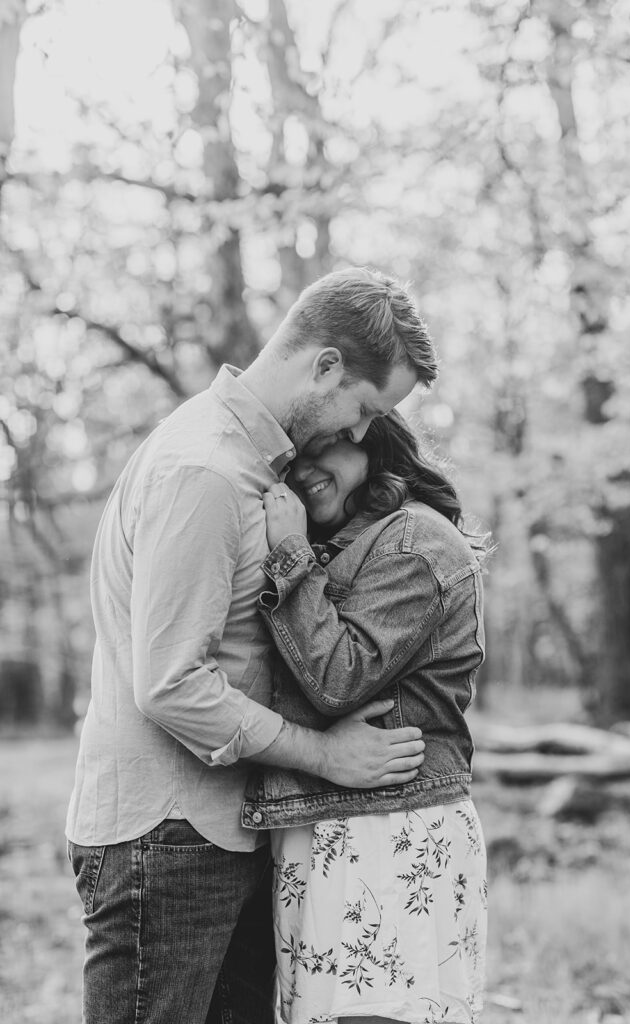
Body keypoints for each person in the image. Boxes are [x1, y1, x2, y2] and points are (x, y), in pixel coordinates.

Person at [65, 267, 438, 1024]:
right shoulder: (204, 468)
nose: (362, 433)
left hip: (217, 832)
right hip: (164, 838)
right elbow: (170, 684)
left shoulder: (249, 466)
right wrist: (323, 753)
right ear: (325, 365)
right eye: (364, 409)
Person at [242, 411, 489, 1024]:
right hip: (343, 824)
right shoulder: (362, 537)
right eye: (288, 460)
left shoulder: (413, 541)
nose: (300, 471)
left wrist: (292, 556)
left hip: (386, 833)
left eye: (317, 447)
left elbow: (337, 678)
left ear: (371, 434)